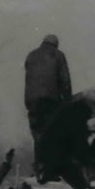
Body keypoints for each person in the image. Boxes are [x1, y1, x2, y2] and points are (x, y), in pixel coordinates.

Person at [24, 34, 72, 173]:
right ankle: (53, 169)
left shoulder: (31, 55)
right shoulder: (58, 55)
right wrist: (67, 102)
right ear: (55, 44)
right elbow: (65, 81)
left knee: (38, 134)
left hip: (32, 102)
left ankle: (40, 168)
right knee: (53, 132)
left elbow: (29, 80)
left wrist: (29, 103)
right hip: (50, 100)